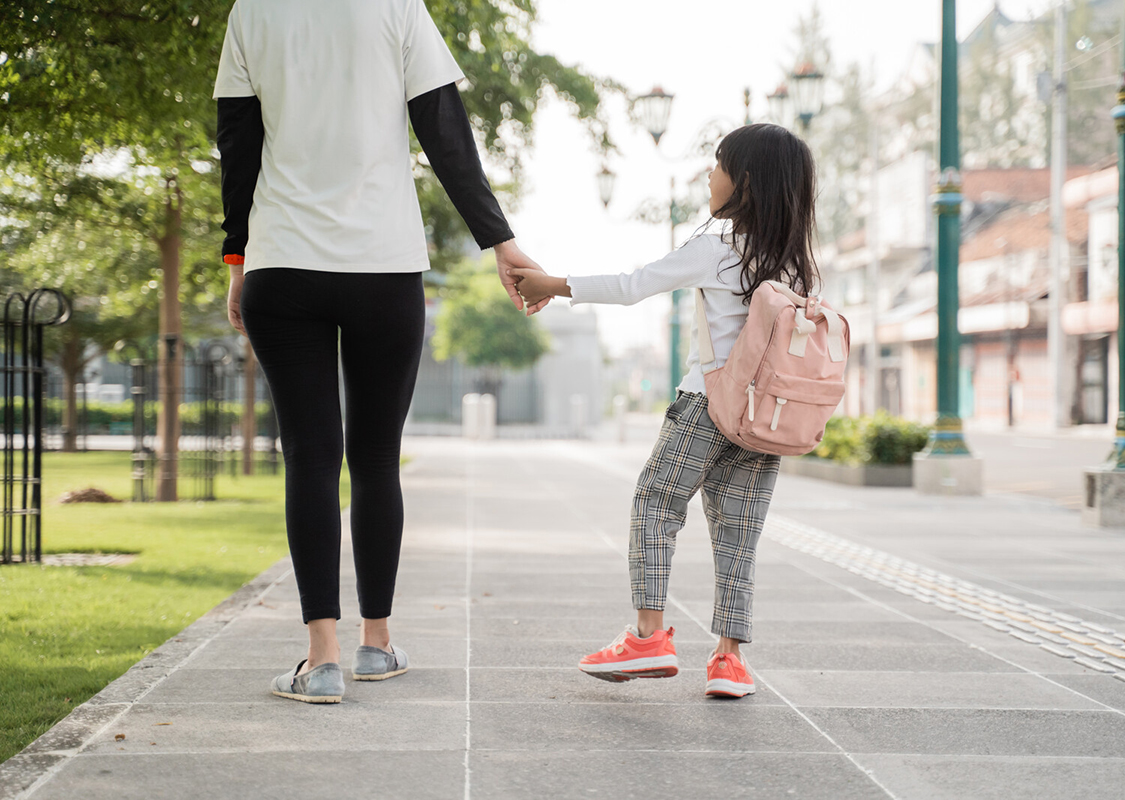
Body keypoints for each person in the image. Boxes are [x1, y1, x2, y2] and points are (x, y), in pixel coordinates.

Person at [213, 0, 549, 704]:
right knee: (373, 458)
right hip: (385, 269)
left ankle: (321, 659)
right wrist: (501, 242)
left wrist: (238, 264)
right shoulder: (397, 6)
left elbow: (237, 149)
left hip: (284, 266)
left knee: (310, 454)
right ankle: (375, 644)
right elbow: (446, 134)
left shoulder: (252, 11)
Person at [511, 124, 820, 698]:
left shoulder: (718, 247)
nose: (710, 174)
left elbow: (635, 286)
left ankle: (649, 637)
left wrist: (552, 282)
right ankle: (729, 660)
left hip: (705, 406)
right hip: (762, 420)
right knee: (740, 531)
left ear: (744, 183)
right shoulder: (798, 265)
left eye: (719, 164)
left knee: (656, 503)